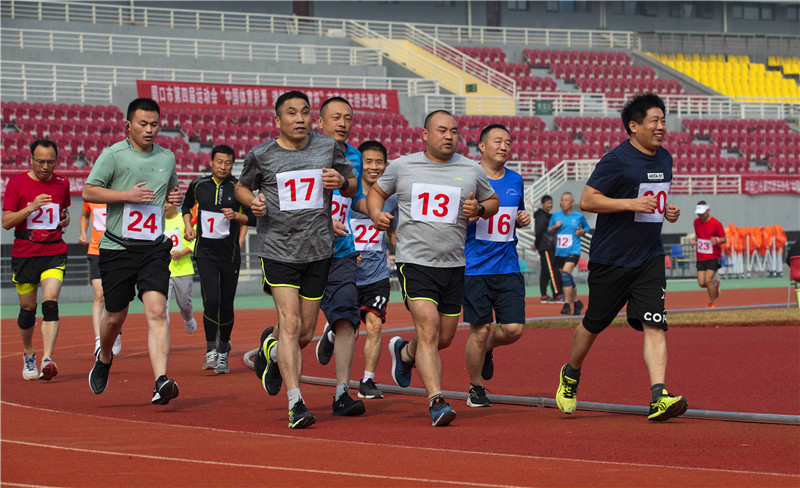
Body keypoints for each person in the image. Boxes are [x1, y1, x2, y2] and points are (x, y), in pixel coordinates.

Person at [555, 92, 688, 422]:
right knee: (593, 324)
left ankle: (659, 396)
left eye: (663, 121)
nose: (661, 127)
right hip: (612, 259)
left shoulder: (665, 158)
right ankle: (571, 374)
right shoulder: (616, 160)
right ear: (634, 126)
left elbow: (651, 202)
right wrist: (630, 203)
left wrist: (666, 211)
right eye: (654, 121)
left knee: (655, 324)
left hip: (649, 256)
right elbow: (588, 200)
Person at [368, 110, 498, 426]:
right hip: (414, 261)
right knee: (428, 327)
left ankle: (405, 353)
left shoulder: (471, 169)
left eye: (454, 131)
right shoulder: (402, 166)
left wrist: (480, 208)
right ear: (425, 135)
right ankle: (436, 401)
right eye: (442, 130)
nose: (449, 136)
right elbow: (376, 192)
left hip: (453, 264)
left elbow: (492, 201)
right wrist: (376, 214)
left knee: (444, 337)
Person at [237, 90, 356, 429]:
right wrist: (252, 202)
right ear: (278, 120)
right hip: (278, 250)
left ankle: (271, 351)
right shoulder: (261, 154)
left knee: (304, 333)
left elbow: (351, 185)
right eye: (291, 113)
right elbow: (242, 187)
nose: (300, 118)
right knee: (289, 323)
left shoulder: (327, 148)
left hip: (318, 250)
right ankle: (296, 403)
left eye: (304, 112)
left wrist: (342, 181)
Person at [83, 97, 184, 405]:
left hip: (154, 248)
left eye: (155, 124)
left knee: (157, 310)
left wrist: (173, 200)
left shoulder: (167, 157)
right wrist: (126, 195)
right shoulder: (112, 155)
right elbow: (88, 191)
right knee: (116, 315)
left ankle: (160, 381)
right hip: (117, 247)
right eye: (143, 124)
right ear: (128, 125)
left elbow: (169, 194)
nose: (150, 129)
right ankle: (104, 358)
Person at [462, 124, 530, 408]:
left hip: (508, 266)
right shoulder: (467, 177)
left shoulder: (516, 179)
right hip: (474, 268)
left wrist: (522, 219)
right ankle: (475, 387)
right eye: (498, 141)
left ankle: (488, 348)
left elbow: (515, 214)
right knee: (479, 330)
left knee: (513, 329)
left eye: (509, 142)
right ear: (482, 146)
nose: (504, 147)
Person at [311, 97, 368, 416]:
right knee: (300, 330)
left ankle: (342, 394)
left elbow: (355, 199)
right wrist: (321, 222)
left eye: (348, 118)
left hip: (342, 252)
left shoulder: (354, 156)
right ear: (320, 122)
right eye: (336, 117)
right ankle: (273, 352)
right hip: (305, 253)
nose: (343, 123)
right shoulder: (303, 153)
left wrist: (378, 211)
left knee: (347, 317)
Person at [181, 144, 255, 374]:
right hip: (205, 254)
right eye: (219, 162)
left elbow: (253, 218)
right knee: (211, 299)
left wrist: (237, 216)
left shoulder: (239, 188)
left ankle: (223, 351)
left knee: (226, 304)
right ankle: (210, 349)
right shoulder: (198, 185)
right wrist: (188, 226)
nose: (223, 166)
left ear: (233, 165)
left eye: (228, 163)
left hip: (230, 256)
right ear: (211, 162)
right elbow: (186, 206)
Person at [2, 139, 70, 381]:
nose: (45, 166)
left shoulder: (62, 184)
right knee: (28, 309)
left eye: (51, 162)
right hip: (25, 253)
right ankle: (29, 352)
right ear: (30, 159)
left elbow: (64, 212)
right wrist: (30, 208)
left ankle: (47, 359)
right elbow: (6, 222)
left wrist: (65, 219)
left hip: (54, 251)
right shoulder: (16, 183)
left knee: (50, 301)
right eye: (40, 161)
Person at [350, 140, 398, 400]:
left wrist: (406, 255)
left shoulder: (391, 200)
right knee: (347, 330)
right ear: (359, 164)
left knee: (375, 325)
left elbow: (393, 232)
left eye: (379, 162)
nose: (373, 166)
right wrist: (347, 254)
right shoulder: (347, 195)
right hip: (346, 275)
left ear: (386, 165)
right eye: (368, 161)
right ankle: (331, 336)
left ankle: (367, 380)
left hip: (377, 276)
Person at [79, 201, 122, 356]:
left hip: (118, 250)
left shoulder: (120, 194)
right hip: (96, 250)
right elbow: (84, 216)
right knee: (99, 295)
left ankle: (116, 331)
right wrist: (83, 233)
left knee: (117, 295)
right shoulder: (92, 198)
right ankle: (99, 339)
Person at [548, 192, 590, 316]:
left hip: (573, 251)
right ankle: (577, 302)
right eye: (562, 200)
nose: (563, 202)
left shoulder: (578, 216)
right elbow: (549, 230)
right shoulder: (556, 216)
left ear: (572, 203)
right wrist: (555, 227)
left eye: (566, 200)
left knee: (566, 274)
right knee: (567, 278)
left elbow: (587, 228)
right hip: (560, 252)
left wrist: (582, 231)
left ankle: (566, 304)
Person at [163, 201, 197, 335]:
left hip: (183, 270)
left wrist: (183, 252)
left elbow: (197, 240)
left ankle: (188, 317)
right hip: (163, 271)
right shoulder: (157, 220)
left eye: (169, 203)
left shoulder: (185, 219)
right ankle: (162, 333)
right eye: (163, 202)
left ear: (175, 204)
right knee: (162, 306)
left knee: (184, 303)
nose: (165, 206)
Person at [691, 201, 726, 308]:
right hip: (701, 257)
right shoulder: (696, 222)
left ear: (708, 210)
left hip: (713, 256)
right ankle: (715, 285)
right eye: (699, 213)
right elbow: (698, 234)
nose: (700, 216)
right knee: (702, 283)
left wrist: (717, 240)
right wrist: (694, 240)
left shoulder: (716, 223)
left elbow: (724, 239)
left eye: (702, 213)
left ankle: (712, 302)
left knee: (708, 280)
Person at [531, 195, 562, 303]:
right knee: (552, 270)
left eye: (551, 203)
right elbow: (539, 232)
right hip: (546, 247)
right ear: (542, 204)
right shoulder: (541, 216)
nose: (550, 205)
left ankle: (544, 295)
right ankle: (557, 294)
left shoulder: (547, 216)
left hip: (547, 246)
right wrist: (537, 244)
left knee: (545, 271)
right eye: (548, 203)